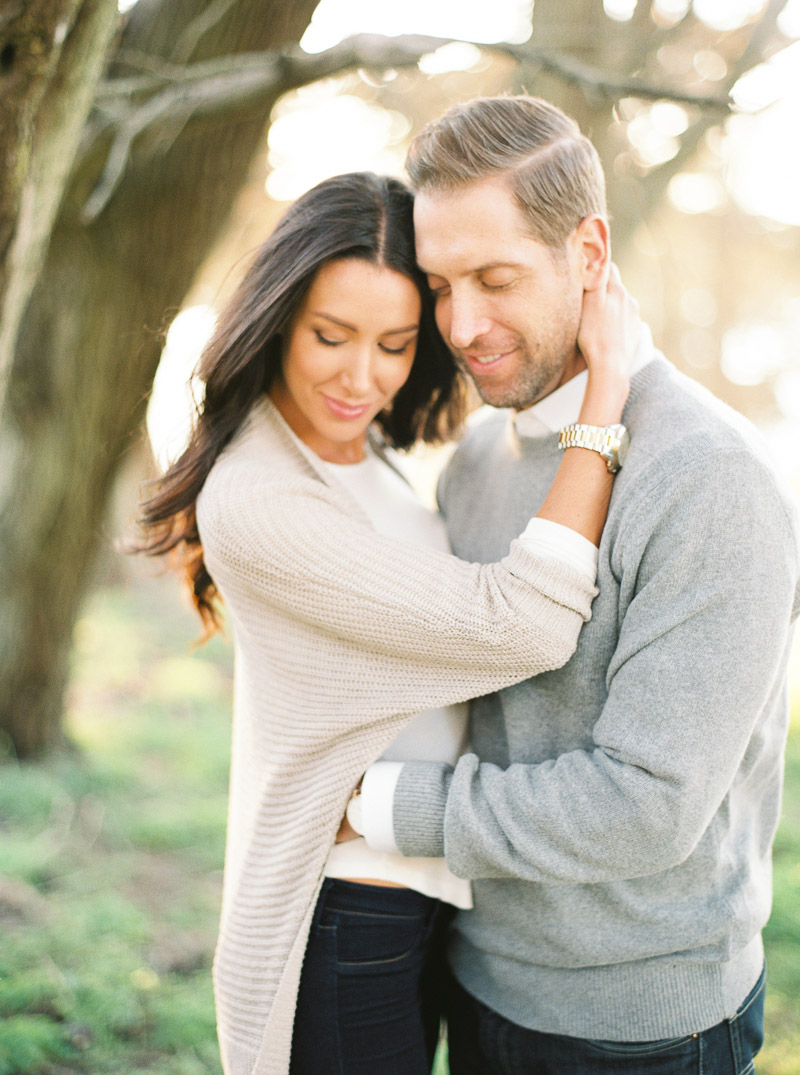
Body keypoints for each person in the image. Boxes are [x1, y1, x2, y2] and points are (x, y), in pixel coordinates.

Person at [134, 170, 640, 1075]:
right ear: (278, 315)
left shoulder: (359, 451)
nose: (360, 377)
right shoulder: (261, 496)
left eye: (396, 344)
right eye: (331, 336)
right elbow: (523, 624)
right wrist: (606, 394)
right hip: (344, 915)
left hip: (421, 883)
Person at [350, 96, 800, 1074]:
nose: (461, 324)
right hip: (474, 979)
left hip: (638, 1026)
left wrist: (386, 806)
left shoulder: (707, 478)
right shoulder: (473, 458)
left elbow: (644, 804)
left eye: (495, 279)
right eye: (438, 284)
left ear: (588, 253)